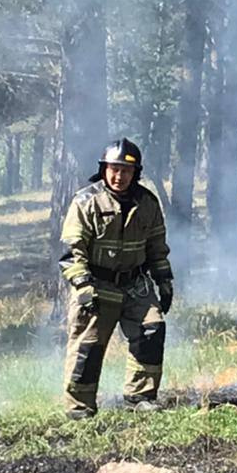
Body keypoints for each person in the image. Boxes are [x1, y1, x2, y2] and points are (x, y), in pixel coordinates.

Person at [58, 138, 174, 419]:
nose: (119, 176)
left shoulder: (147, 203)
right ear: (103, 169)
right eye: (114, 169)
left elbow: (157, 246)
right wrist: (83, 286)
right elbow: (72, 252)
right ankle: (80, 408)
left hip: (136, 285)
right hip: (97, 286)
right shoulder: (86, 201)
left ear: (136, 173)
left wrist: (164, 280)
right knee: (89, 347)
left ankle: (140, 397)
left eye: (125, 170)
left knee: (152, 329)